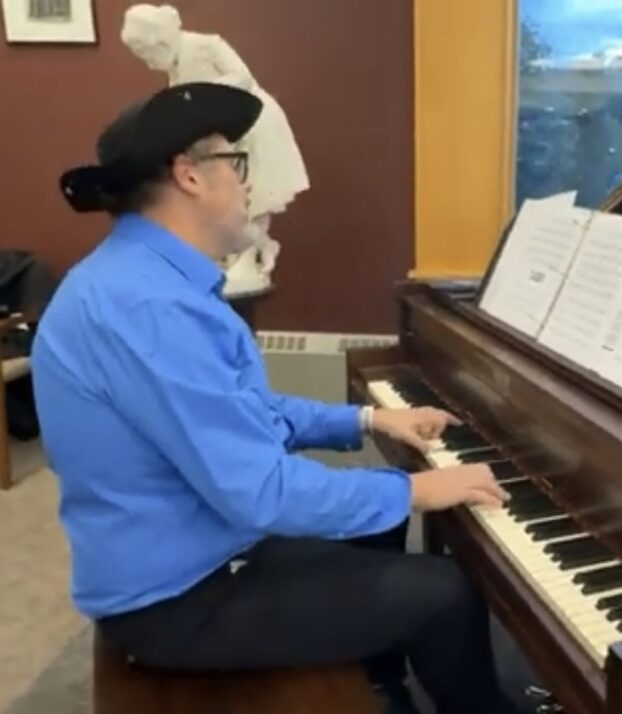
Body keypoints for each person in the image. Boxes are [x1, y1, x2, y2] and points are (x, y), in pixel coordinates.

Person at [34, 82, 517, 714]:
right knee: (443, 590)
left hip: (195, 550)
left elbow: (239, 413)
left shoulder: (146, 279)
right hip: (173, 602)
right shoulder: (148, 306)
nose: (249, 185)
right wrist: (418, 490)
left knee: (381, 522)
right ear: (189, 177)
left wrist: (368, 418)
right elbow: (257, 490)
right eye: (236, 164)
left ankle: (377, 685)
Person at [120, 3, 309, 297]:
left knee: (254, 192)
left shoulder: (206, 45)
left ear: (160, 40)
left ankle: (250, 255)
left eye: (147, 54)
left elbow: (242, 77)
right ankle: (240, 252)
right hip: (224, 135)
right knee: (224, 191)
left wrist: (206, 97)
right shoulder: (175, 66)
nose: (147, 63)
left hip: (252, 124)